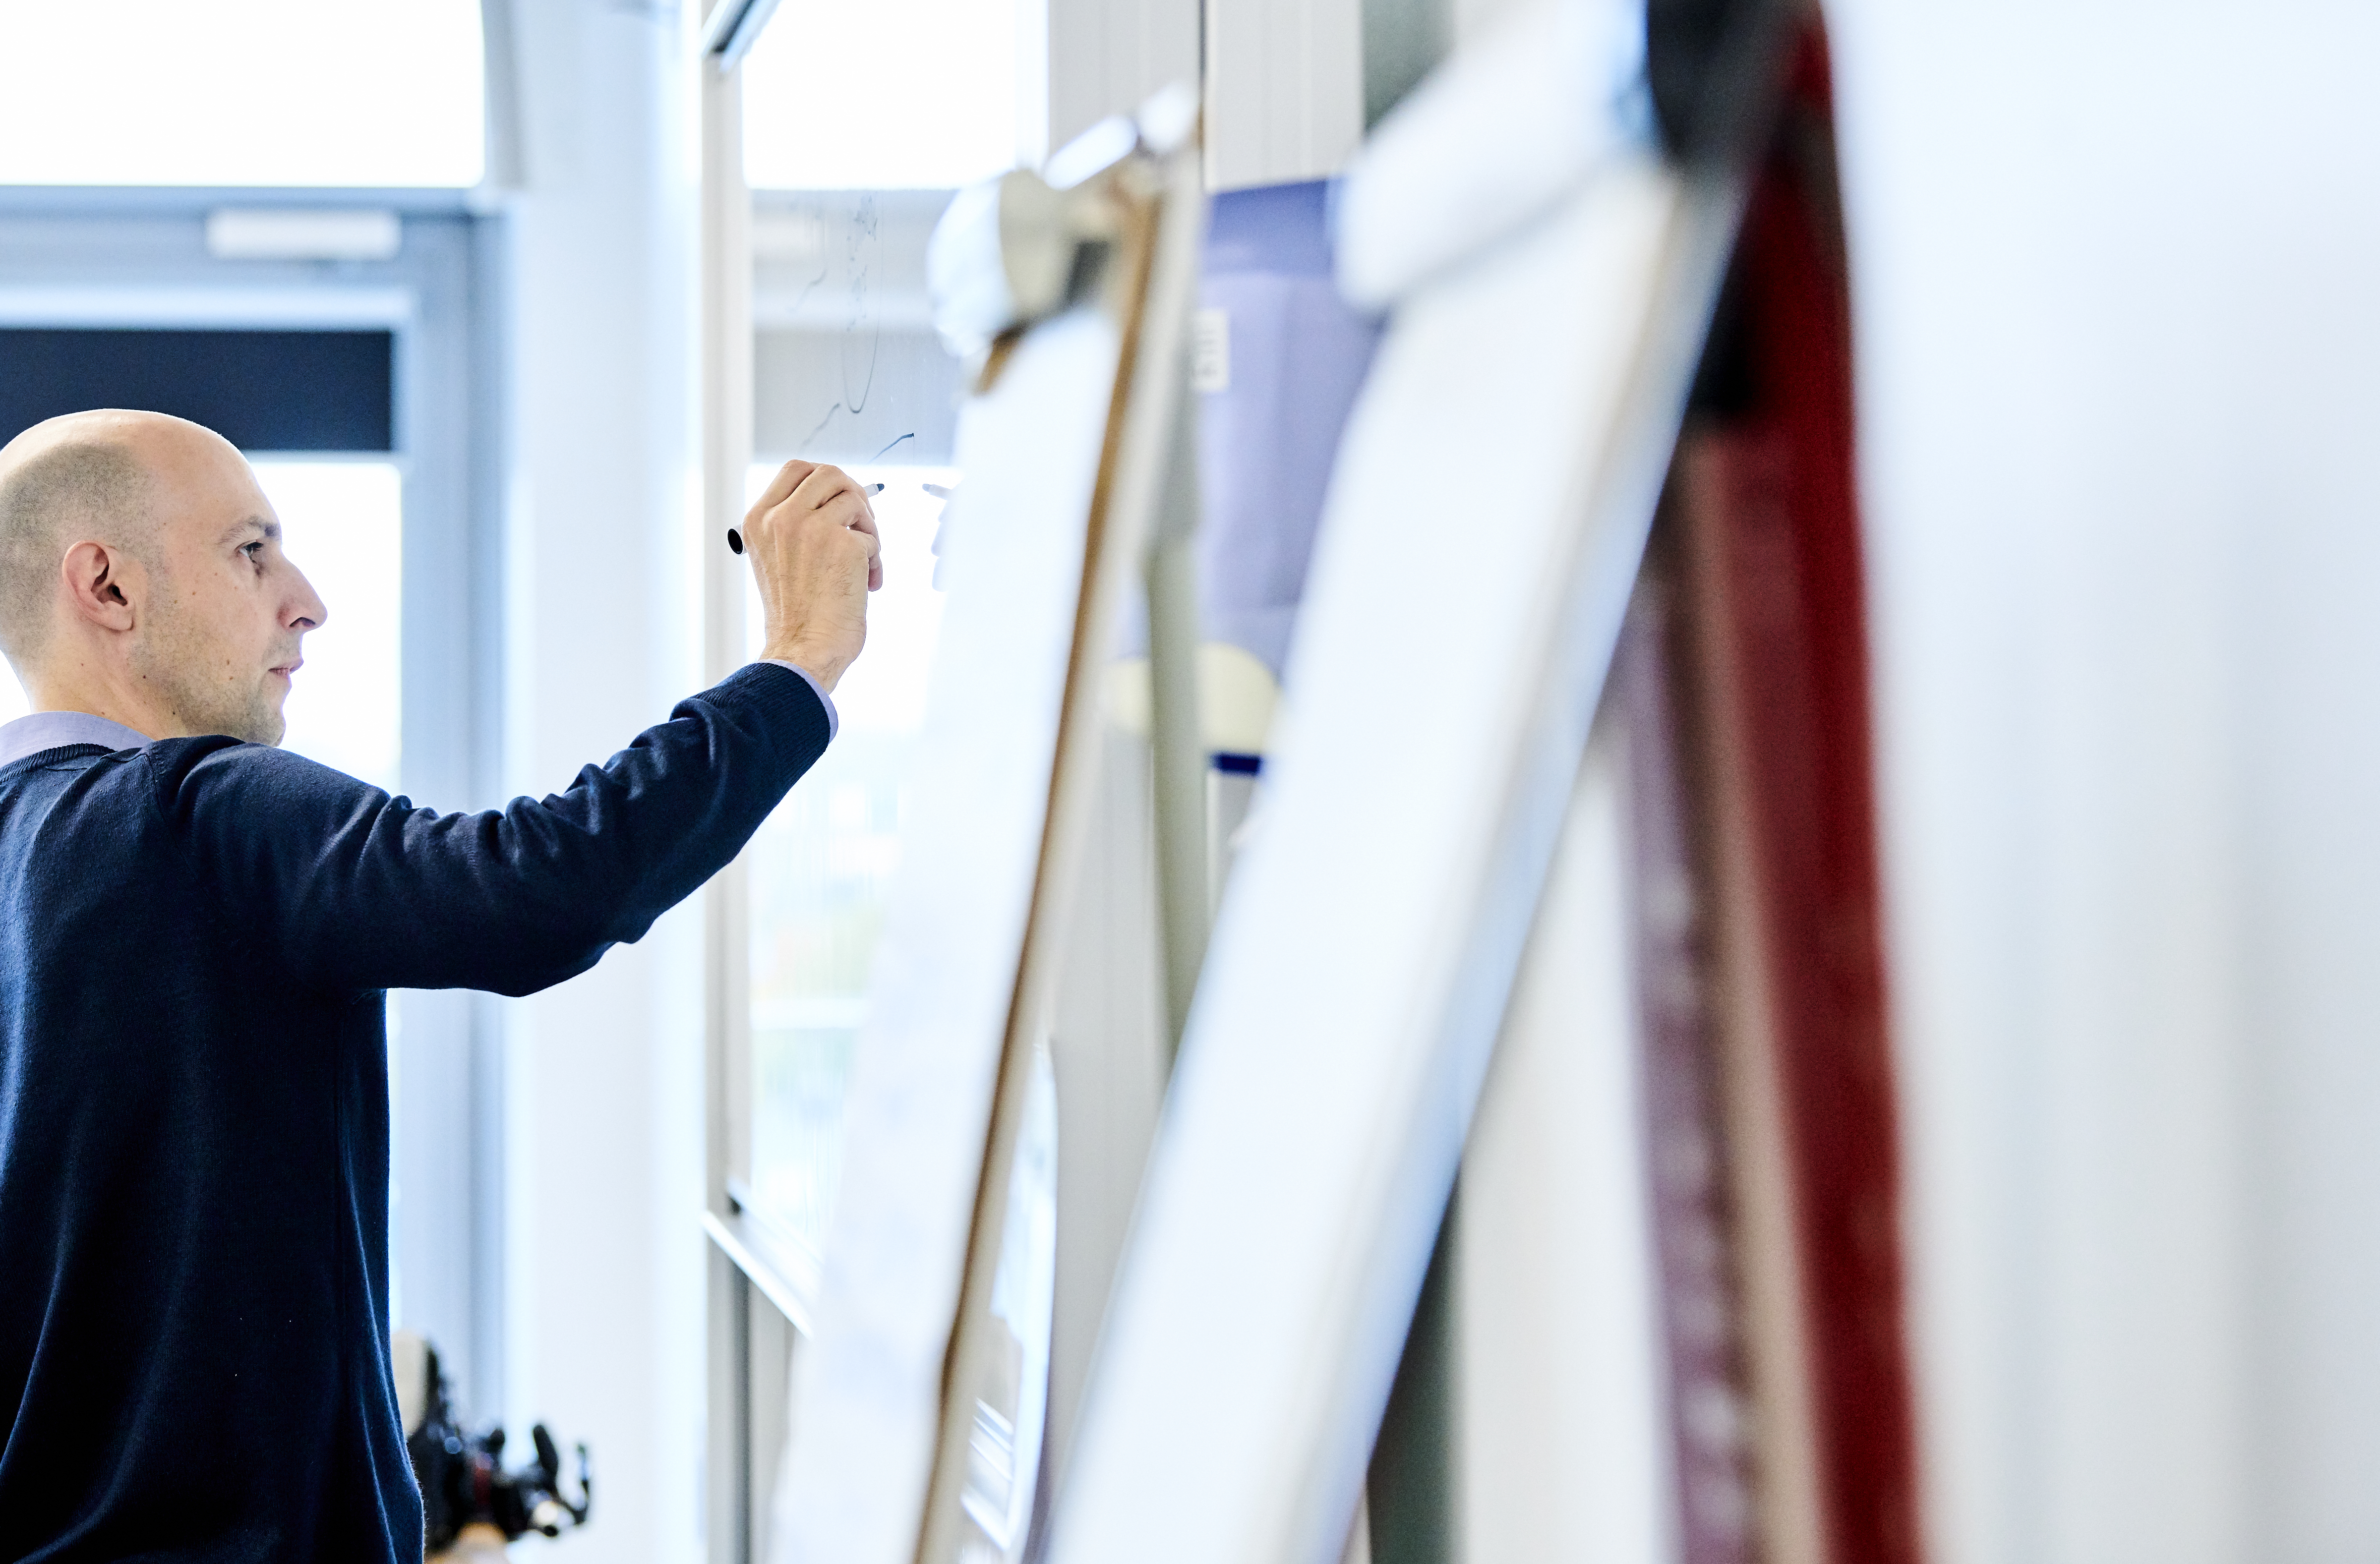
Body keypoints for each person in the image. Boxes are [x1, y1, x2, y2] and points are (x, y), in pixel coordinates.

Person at [0, 409, 878, 1561]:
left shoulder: (24, 847)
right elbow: (547, 885)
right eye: (250, 550)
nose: (304, 597)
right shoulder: (195, 814)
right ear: (108, 588)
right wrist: (797, 662)